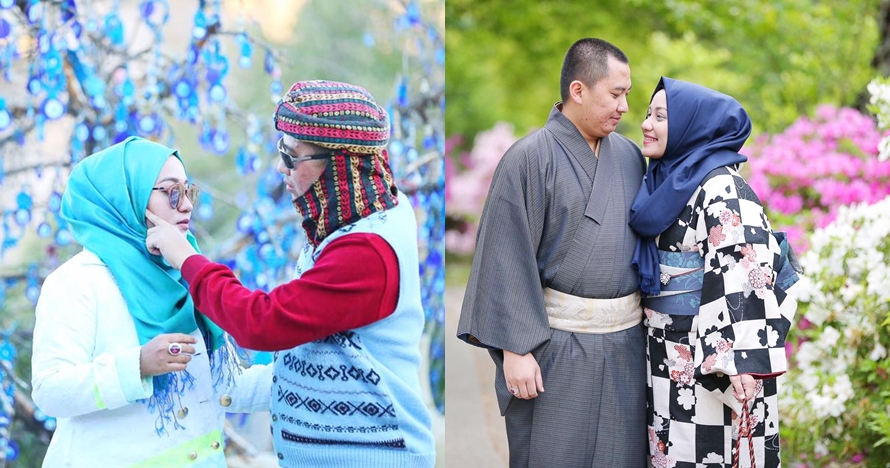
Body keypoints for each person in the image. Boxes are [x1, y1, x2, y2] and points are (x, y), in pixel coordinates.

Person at [144, 80, 436, 467]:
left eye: (292, 155)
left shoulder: (367, 251)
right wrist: (220, 388)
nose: (280, 166)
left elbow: (262, 323)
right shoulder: (348, 220)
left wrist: (185, 258)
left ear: (338, 162)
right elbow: (317, 356)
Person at [456, 38, 648, 467]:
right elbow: (504, 256)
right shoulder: (528, 159)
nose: (624, 107)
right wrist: (515, 350)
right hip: (554, 350)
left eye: (627, 95)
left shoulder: (631, 157)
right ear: (578, 90)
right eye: (615, 94)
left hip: (625, 348)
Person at [31, 136, 272, 467]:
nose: (185, 204)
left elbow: (216, 389)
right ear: (125, 198)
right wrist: (137, 366)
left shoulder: (182, 272)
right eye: (171, 191)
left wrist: (308, 373)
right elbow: (50, 391)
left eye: (188, 191)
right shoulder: (78, 281)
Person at [631, 77, 800, 467]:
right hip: (665, 352)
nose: (646, 123)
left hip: (712, 361)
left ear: (695, 127)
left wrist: (741, 359)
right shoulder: (668, 182)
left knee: (709, 453)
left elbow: (747, 271)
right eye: (647, 113)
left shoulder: (723, 187)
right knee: (670, 454)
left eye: (660, 116)